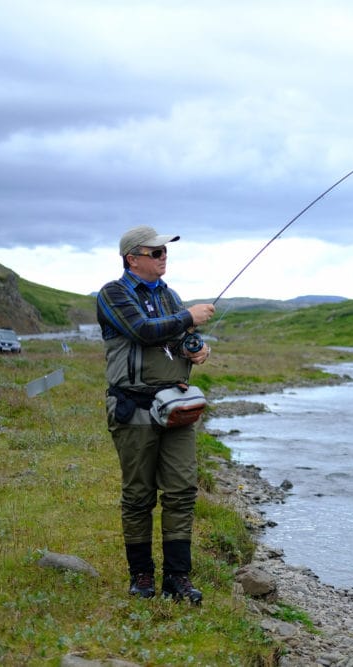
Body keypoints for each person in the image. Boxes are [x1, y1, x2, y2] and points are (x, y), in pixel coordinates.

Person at [96, 225, 215, 604]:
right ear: (133, 258)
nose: (165, 258)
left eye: (165, 252)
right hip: (133, 408)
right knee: (138, 496)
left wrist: (197, 349)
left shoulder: (170, 296)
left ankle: (177, 580)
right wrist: (189, 318)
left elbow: (176, 341)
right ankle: (142, 577)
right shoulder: (112, 294)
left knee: (181, 492)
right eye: (157, 252)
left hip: (176, 408)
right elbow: (143, 331)